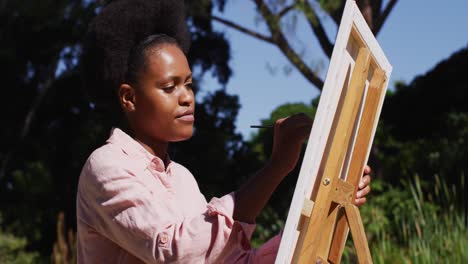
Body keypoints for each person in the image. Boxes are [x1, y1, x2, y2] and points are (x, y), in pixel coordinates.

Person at [76, 0, 372, 263]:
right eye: (170, 87)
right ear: (129, 97)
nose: (187, 97)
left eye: (189, 84)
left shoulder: (181, 179)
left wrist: (326, 205)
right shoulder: (107, 165)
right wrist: (276, 167)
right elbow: (175, 252)